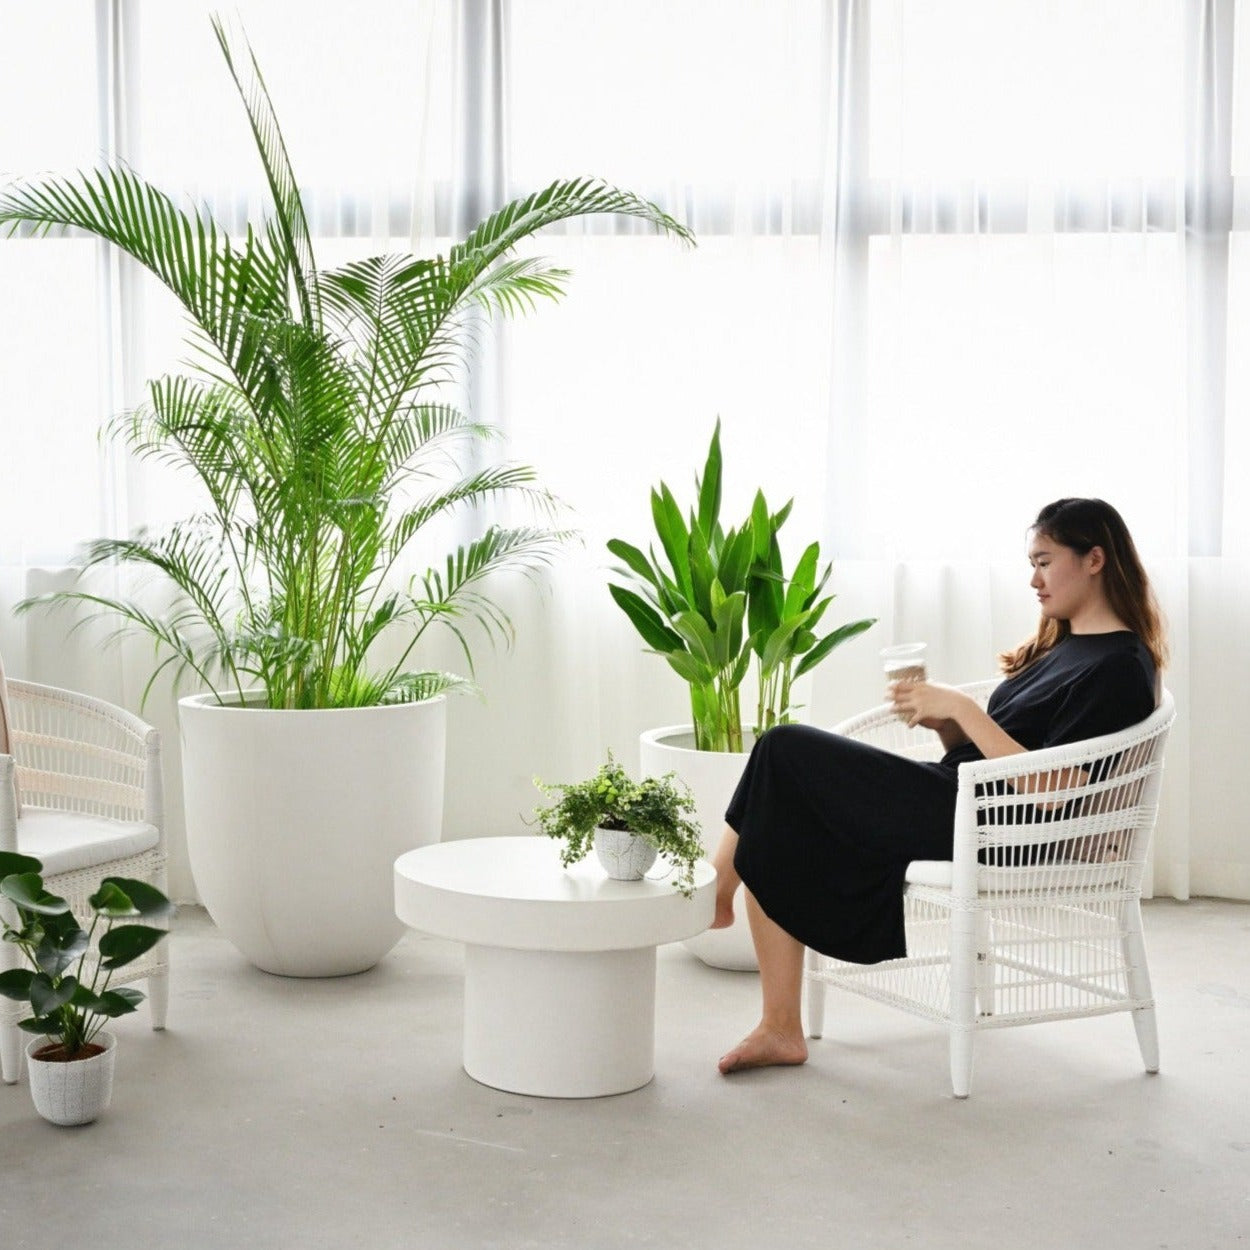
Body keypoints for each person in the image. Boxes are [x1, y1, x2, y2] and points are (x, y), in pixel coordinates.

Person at [711, 497, 1167, 1075]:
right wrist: (947, 723)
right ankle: (779, 1027)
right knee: (784, 814)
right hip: (961, 797)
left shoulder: (1120, 665)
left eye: (1045, 561)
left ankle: (715, 892)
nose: (1033, 579)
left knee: (784, 745)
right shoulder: (1062, 648)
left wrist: (965, 709)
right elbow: (986, 755)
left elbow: (1059, 791)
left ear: (1095, 559)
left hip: (1002, 828)